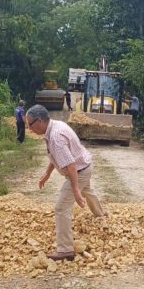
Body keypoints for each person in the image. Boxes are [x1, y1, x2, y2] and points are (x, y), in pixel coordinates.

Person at [25, 105, 106, 260]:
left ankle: (65, 250)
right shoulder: (55, 125)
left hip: (79, 170)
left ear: (40, 121)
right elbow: (57, 156)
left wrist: (75, 189)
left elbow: (70, 165)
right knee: (87, 191)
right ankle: (101, 215)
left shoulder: (55, 137)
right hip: (85, 165)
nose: (29, 128)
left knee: (61, 208)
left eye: (30, 124)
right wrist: (47, 173)